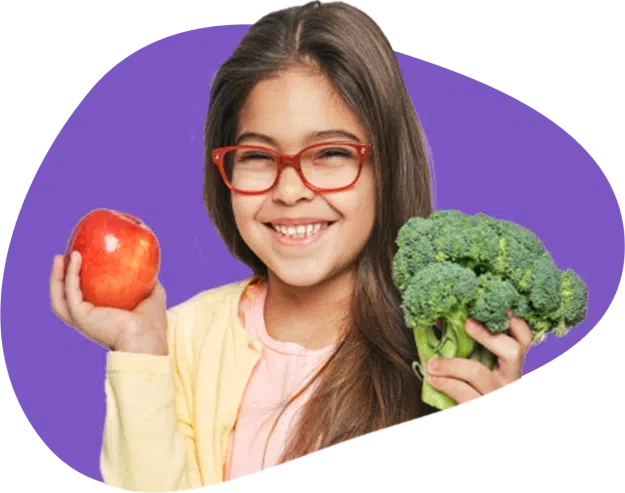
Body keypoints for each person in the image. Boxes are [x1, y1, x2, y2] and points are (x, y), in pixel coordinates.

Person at [49, 1, 534, 491]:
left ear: (386, 166)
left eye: (329, 153)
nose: (289, 189)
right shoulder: (180, 341)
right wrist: (139, 351)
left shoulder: (443, 351)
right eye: (258, 155)